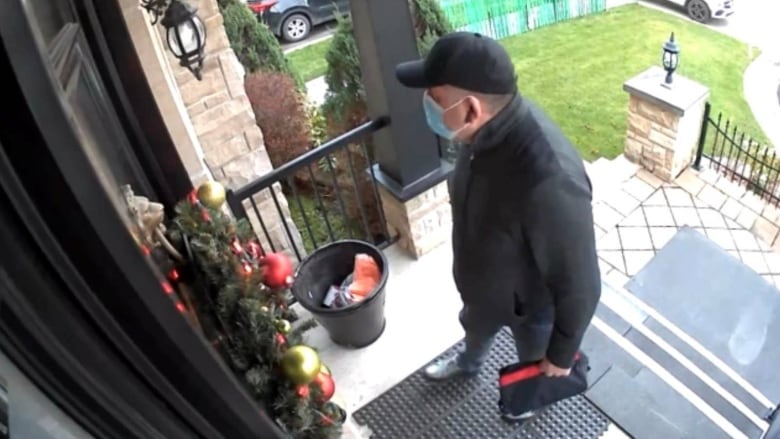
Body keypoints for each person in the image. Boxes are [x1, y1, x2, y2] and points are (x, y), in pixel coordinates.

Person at [395, 32, 602, 421]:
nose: (428, 105)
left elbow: (582, 282)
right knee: (474, 331)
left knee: (532, 360)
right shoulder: (478, 134)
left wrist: (561, 353)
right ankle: (469, 362)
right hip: (481, 290)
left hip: (531, 310)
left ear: (472, 109)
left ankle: (524, 403)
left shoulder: (551, 179)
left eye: (435, 99)